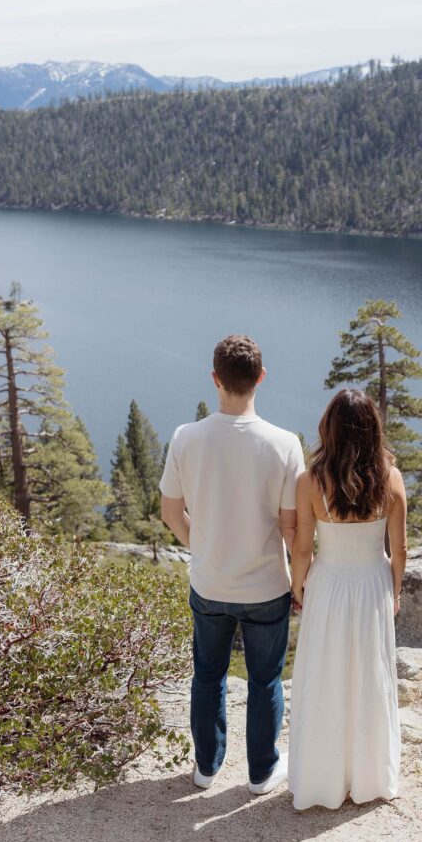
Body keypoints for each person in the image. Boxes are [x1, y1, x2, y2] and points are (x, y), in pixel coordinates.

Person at [159, 334, 305, 795]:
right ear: (260, 378)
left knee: (208, 675)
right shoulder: (285, 444)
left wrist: (200, 546)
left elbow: (169, 511)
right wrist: (302, 579)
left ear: (215, 378)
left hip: (209, 583)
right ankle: (261, 773)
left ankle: (206, 768)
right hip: (266, 588)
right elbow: (290, 527)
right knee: (264, 680)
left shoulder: (187, 437)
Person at [287, 388, 407, 810]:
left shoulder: (310, 481)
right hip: (372, 584)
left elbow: (302, 547)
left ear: (329, 430)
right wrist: (394, 593)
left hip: (330, 584)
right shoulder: (391, 478)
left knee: (326, 675)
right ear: (373, 430)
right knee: (368, 676)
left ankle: (323, 777)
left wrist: (298, 586)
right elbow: (400, 549)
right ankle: (368, 774)